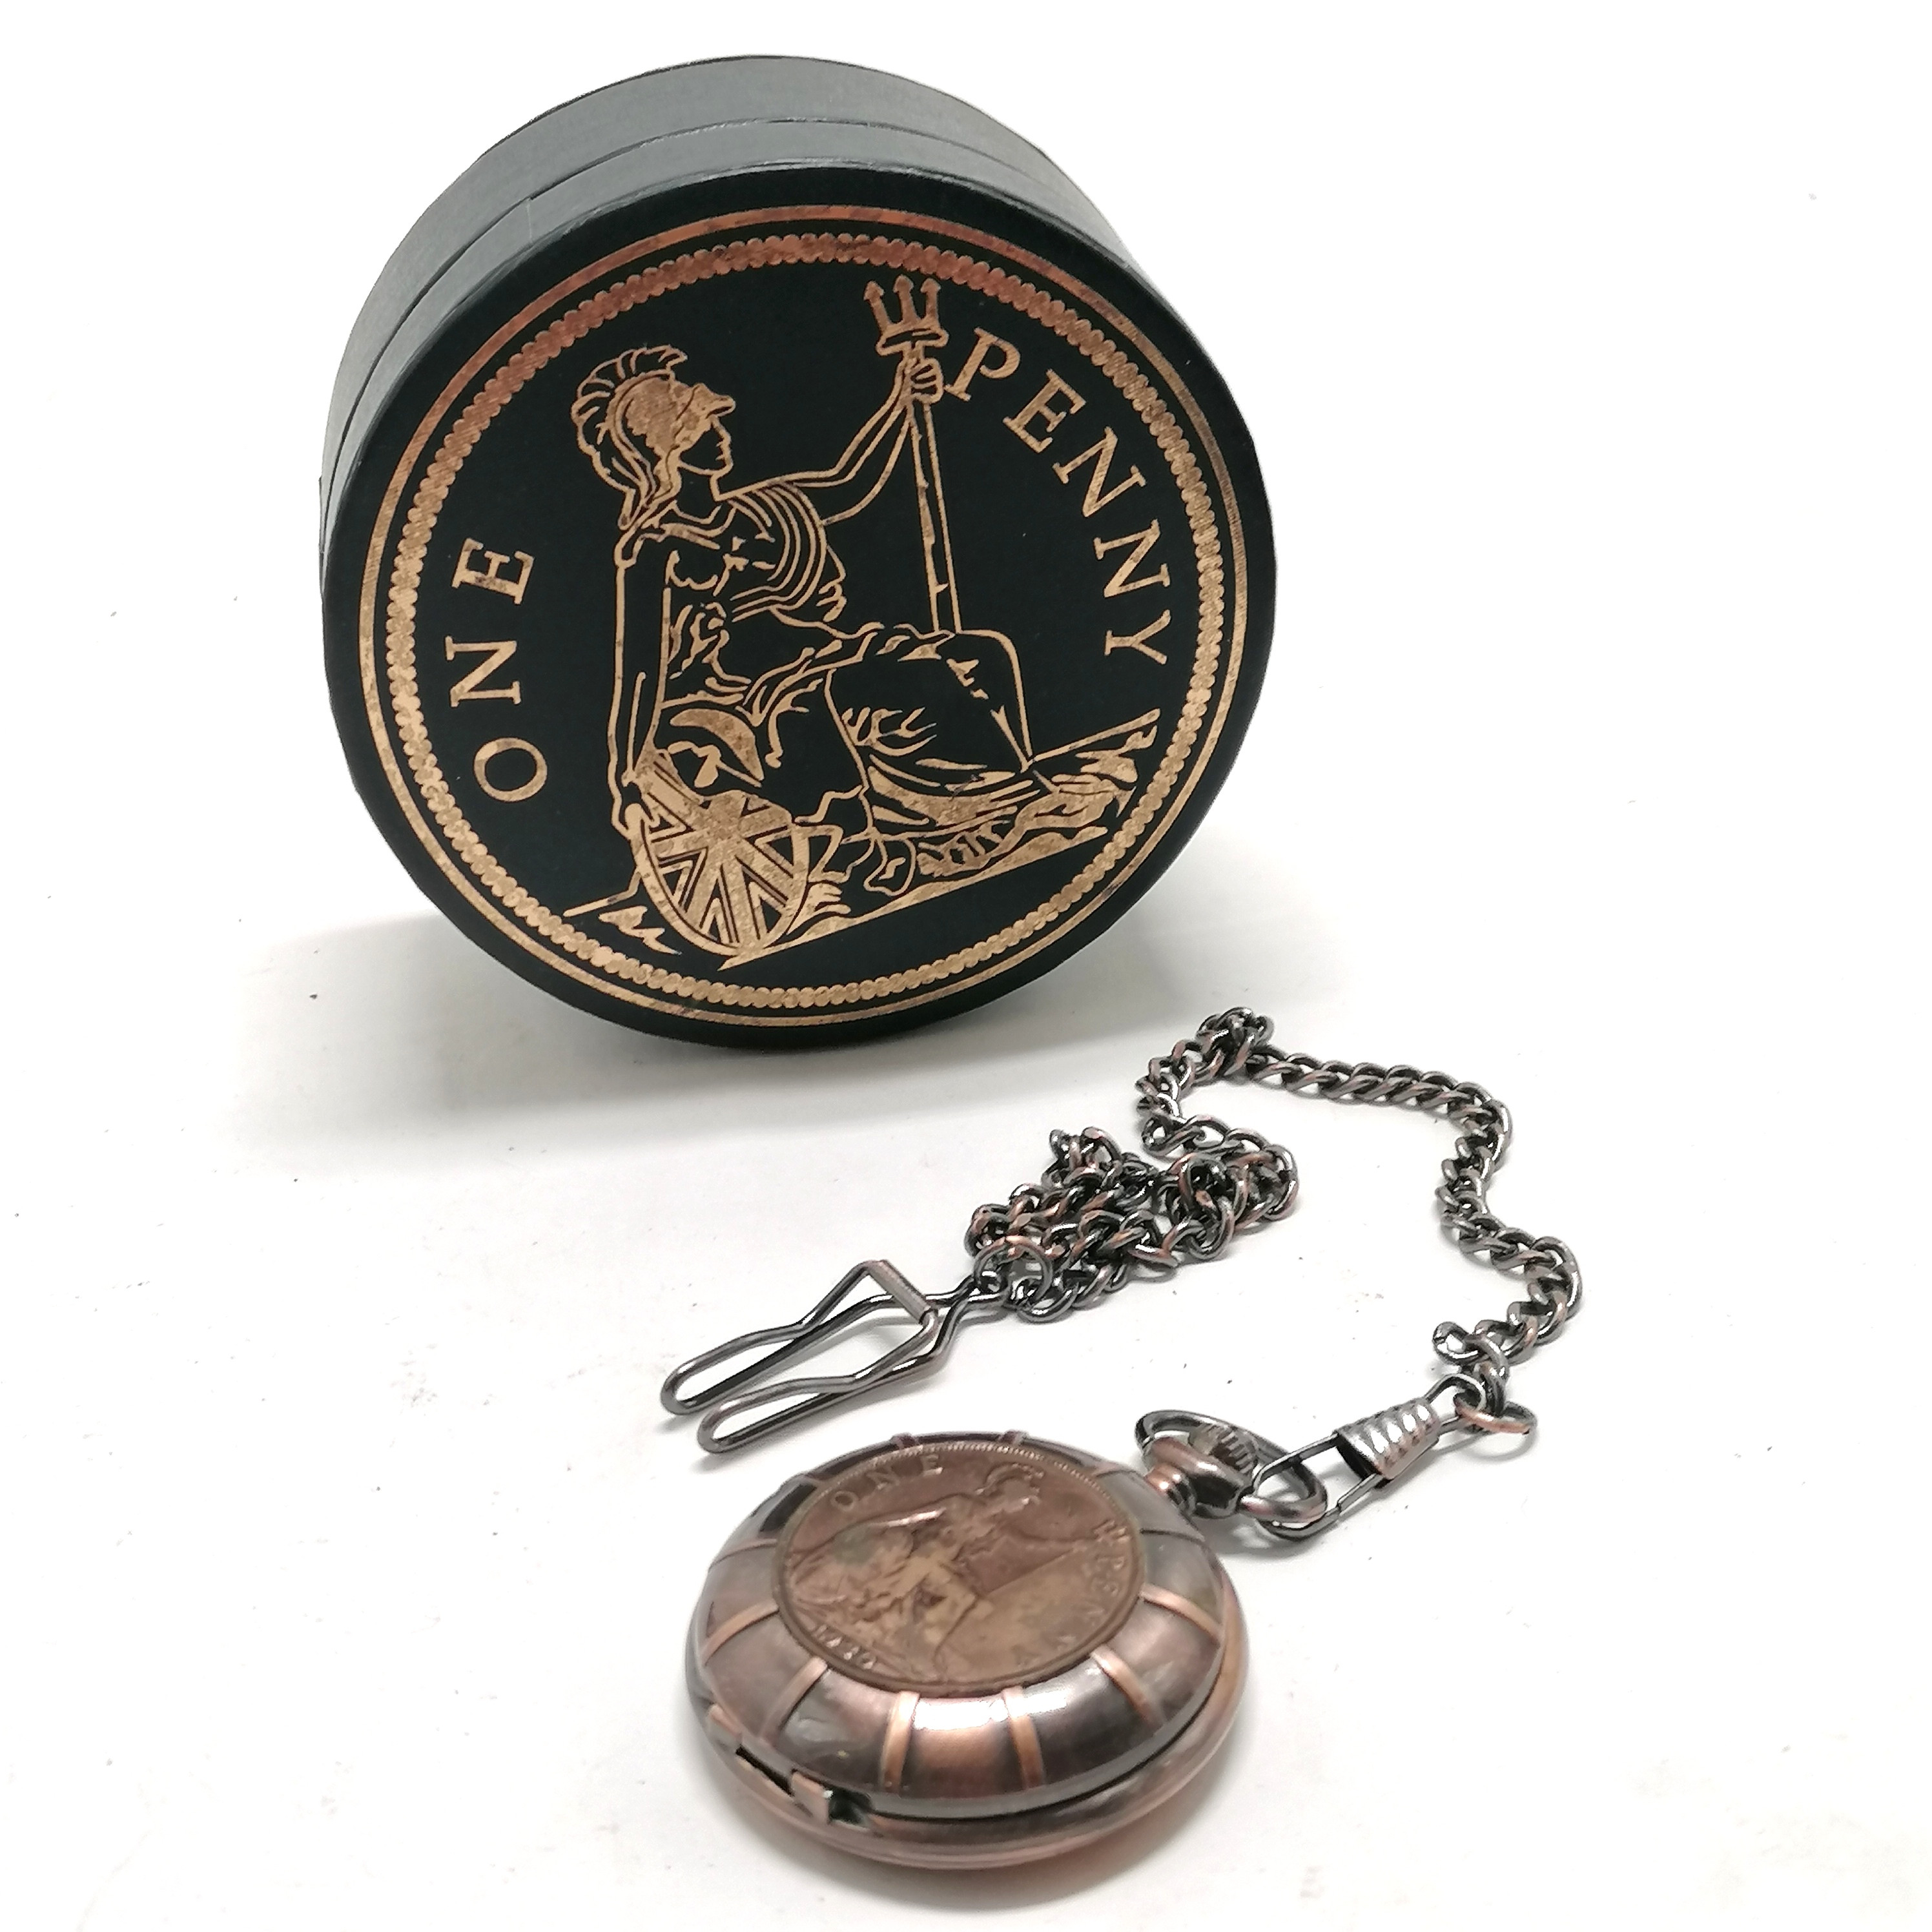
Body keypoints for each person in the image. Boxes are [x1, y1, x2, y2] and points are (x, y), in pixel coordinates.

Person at [570, 335, 1123, 955]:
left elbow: (848, 483)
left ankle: (1001, 796)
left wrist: (900, 402)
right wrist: (625, 771)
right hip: (745, 697)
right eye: (703, 426)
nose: (722, 431)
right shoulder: (655, 551)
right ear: (671, 450)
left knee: (981, 653)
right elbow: (640, 669)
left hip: (829, 652)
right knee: (894, 686)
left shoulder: (766, 508)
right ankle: (932, 832)